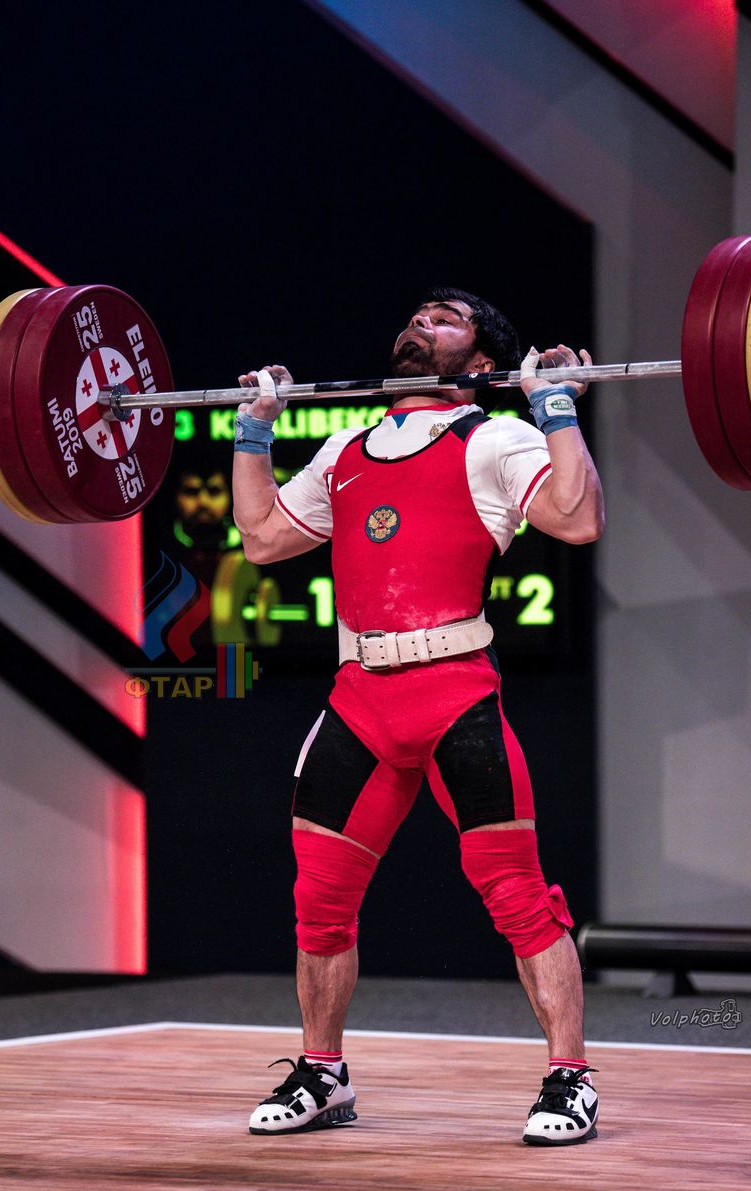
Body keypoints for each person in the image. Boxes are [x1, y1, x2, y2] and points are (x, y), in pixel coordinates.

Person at [232, 288, 604, 1146]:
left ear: (481, 363)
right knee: (319, 902)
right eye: (416, 315)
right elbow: (262, 538)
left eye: (444, 319)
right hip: (359, 700)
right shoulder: (346, 448)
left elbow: (578, 517)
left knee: (519, 897)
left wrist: (553, 408)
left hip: (455, 697)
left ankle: (571, 1078)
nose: (417, 324)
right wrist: (255, 429)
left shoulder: (495, 437)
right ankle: (323, 1074)